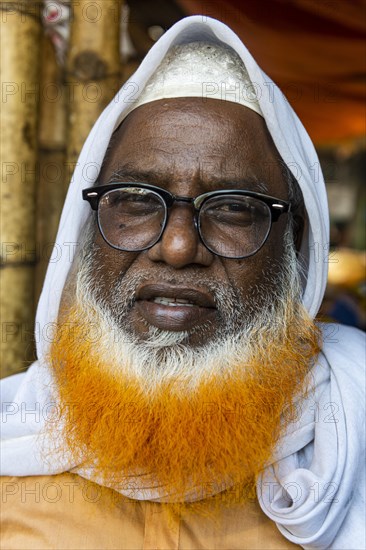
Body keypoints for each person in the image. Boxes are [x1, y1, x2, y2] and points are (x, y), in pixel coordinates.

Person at [1, 15, 365, 550]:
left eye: (234, 208)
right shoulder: (14, 445)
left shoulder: (351, 434)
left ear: (297, 239)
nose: (176, 248)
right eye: (136, 200)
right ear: (86, 228)